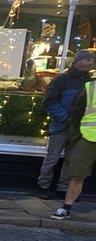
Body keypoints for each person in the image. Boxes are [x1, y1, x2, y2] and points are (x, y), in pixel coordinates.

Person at [37, 50, 94, 195]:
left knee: (71, 160)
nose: (90, 63)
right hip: (61, 126)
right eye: (87, 60)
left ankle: (63, 189)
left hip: (79, 128)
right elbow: (49, 101)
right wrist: (65, 117)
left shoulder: (91, 83)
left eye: (92, 60)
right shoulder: (62, 80)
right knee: (52, 158)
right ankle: (43, 186)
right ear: (77, 62)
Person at [52, 69, 96, 220]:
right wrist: (76, 135)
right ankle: (66, 207)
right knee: (78, 174)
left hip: (86, 135)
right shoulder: (90, 87)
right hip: (87, 137)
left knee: (78, 174)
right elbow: (76, 112)